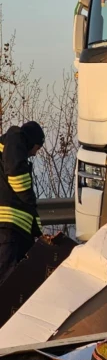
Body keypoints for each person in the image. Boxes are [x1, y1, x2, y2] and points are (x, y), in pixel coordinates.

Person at [0, 122, 45, 284]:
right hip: (9, 231)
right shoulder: (15, 141)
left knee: (16, 286)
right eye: (37, 149)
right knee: (8, 285)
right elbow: (17, 177)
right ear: (32, 142)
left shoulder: (6, 150)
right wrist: (30, 200)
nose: (34, 154)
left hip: (13, 232)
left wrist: (38, 232)